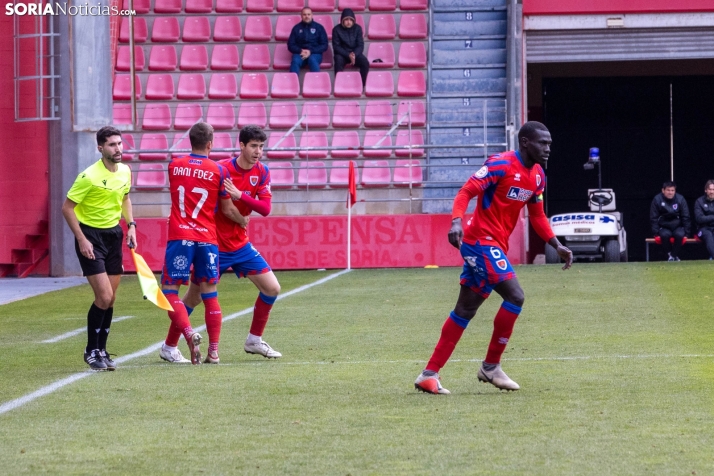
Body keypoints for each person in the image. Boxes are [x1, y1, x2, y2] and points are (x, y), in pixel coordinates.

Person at [414, 121, 573, 395]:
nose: (548, 149)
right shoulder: (500, 165)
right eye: (542, 143)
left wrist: (556, 244)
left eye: (549, 144)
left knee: (465, 310)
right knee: (515, 296)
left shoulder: (538, 176)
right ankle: (491, 366)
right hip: (479, 243)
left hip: (495, 244)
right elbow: (466, 191)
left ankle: (429, 374)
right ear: (525, 142)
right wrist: (456, 222)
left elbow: (536, 215)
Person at [161, 125, 282, 364]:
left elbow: (266, 209)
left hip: (240, 245)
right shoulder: (222, 168)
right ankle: (169, 345)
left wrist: (240, 195)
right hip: (213, 244)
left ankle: (254, 340)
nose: (258, 151)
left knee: (272, 288)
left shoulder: (263, 172)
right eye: (254, 146)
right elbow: (210, 204)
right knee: (192, 299)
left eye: (261, 146)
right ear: (242, 146)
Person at [159, 122, 246, 365]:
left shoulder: (174, 166)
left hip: (180, 236)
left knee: (169, 291)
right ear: (210, 144)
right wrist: (243, 220)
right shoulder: (219, 171)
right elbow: (228, 209)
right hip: (207, 239)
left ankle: (188, 335)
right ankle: (214, 352)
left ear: (190, 141)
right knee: (210, 294)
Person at [62, 126, 137, 371]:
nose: (118, 148)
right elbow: (67, 208)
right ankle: (91, 350)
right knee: (103, 296)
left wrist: (131, 226)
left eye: (119, 143)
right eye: (112, 145)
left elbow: (125, 198)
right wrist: (82, 239)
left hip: (114, 235)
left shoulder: (125, 171)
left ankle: (102, 350)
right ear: (101, 148)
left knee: (111, 298)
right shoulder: (89, 176)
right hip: (91, 236)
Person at [650, 181, 691, 261]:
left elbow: (686, 216)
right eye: (668, 190)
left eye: (672, 190)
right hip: (664, 226)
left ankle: (672, 256)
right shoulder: (657, 199)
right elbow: (653, 217)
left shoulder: (680, 199)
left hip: (677, 226)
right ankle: (671, 255)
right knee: (665, 235)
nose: (670, 192)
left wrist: (687, 232)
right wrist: (655, 232)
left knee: (679, 235)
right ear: (663, 190)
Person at [332, 8, 369, 87]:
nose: (348, 22)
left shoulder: (358, 28)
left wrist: (354, 54)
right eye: (346, 20)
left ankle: (361, 85)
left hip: (355, 53)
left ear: (353, 20)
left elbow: (360, 45)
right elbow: (336, 47)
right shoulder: (336, 30)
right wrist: (348, 54)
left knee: (365, 62)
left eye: (350, 20)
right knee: (338, 62)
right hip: (342, 54)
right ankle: (339, 85)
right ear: (342, 20)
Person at [288, 7, 328, 75]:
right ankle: (292, 84)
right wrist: (300, 50)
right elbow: (290, 45)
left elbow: (324, 45)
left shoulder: (319, 27)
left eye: (308, 14)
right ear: (301, 16)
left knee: (312, 60)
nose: (307, 16)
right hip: (300, 53)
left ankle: (316, 84)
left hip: (315, 53)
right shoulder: (296, 28)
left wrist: (310, 51)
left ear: (312, 15)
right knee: (295, 61)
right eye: (304, 14)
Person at [694, 179, 714, 260]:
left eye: (713, 189)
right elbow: (699, 219)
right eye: (710, 189)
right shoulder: (699, 201)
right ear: (706, 190)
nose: (712, 192)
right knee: (708, 235)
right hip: (702, 229)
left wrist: (708, 217)